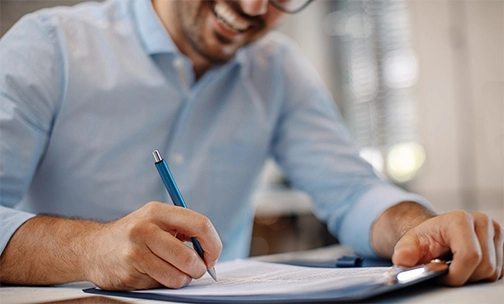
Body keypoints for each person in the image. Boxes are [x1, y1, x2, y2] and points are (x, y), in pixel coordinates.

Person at [0, 0, 502, 291]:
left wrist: (419, 228)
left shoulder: (277, 67)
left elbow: (350, 192)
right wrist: (92, 249)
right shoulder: (48, 48)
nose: (256, 7)